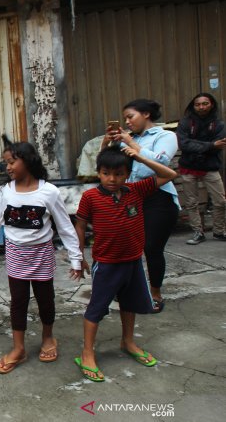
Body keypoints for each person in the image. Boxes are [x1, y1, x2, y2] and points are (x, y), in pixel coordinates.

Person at [0, 141, 83, 374]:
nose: (8, 167)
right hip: (15, 254)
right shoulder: (5, 192)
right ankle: (18, 348)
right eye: (6, 163)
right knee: (18, 302)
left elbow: (64, 227)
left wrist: (76, 258)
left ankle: (48, 337)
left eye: (12, 162)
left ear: (28, 161)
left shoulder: (49, 192)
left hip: (41, 254)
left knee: (46, 299)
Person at [74, 146, 177, 382]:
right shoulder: (90, 197)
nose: (112, 179)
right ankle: (87, 352)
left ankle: (128, 341)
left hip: (133, 262)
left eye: (119, 173)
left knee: (129, 304)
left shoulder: (136, 190)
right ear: (98, 172)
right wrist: (78, 255)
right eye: (106, 173)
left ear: (128, 174)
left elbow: (169, 175)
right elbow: (79, 225)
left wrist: (139, 156)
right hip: (107, 263)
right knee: (96, 308)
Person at [103, 99, 179, 313]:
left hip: (158, 196)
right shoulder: (127, 138)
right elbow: (106, 162)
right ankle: (129, 289)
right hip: (131, 196)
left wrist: (133, 145)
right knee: (127, 246)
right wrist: (108, 141)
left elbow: (161, 163)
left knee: (152, 247)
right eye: (125, 118)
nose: (127, 122)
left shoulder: (165, 136)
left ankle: (155, 292)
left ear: (146, 114)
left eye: (130, 117)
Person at [175, 92, 226, 244]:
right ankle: (198, 232)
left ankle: (219, 231)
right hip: (188, 166)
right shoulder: (185, 123)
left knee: (220, 201)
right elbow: (183, 144)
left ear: (211, 105)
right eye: (198, 104)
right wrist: (210, 145)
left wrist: (198, 146)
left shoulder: (219, 124)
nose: (201, 107)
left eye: (205, 103)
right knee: (191, 202)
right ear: (193, 105)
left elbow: (220, 145)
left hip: (210, 167)